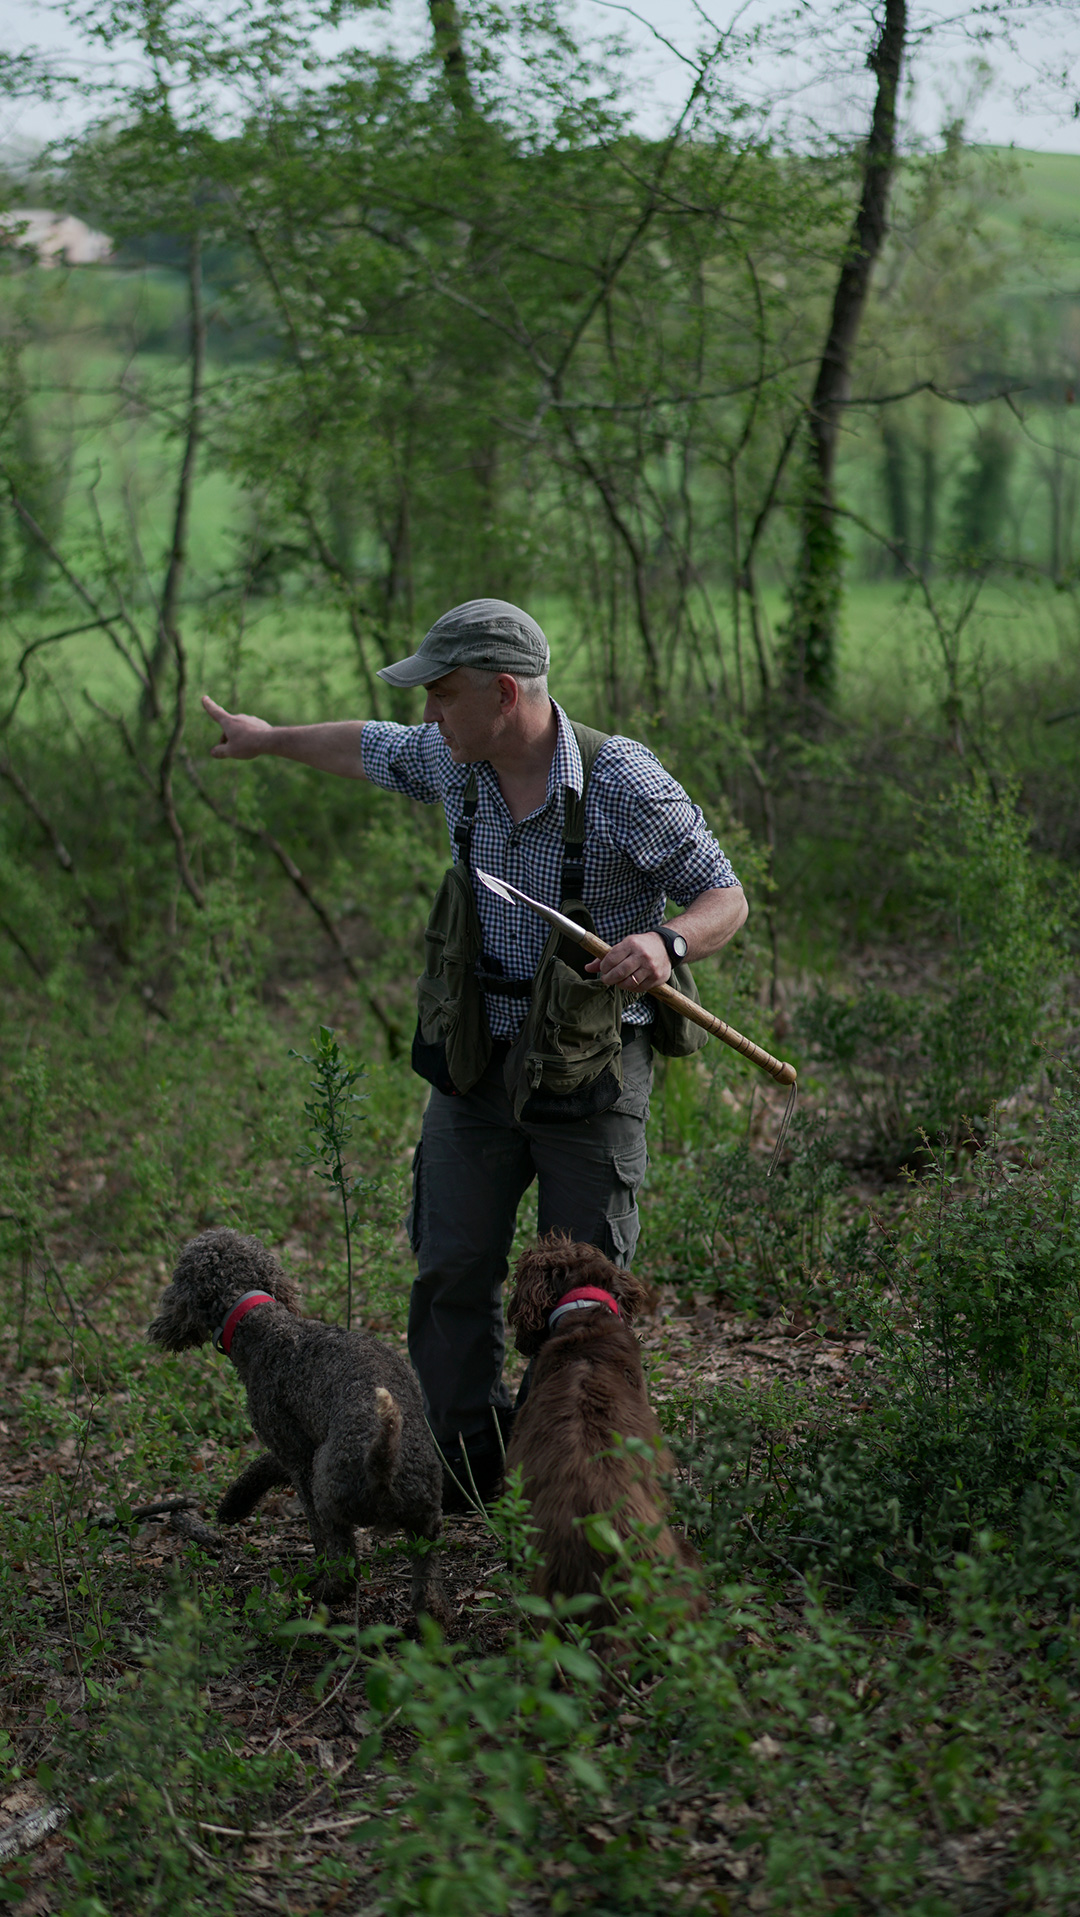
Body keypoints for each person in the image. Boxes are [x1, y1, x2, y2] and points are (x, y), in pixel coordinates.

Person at [203, 598, 746, 1502]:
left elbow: (723, 893)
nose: (427, 714)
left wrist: (667, 943)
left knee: (581, 1301)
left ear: (504, 693)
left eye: (442, 693)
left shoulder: (626, 783)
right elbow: (365, 743)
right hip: (471, 1072)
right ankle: (462, 1469)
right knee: (450, 1270)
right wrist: (269, 740)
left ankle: (569, 1475)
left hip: (591, 1076)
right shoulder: (457, 762)